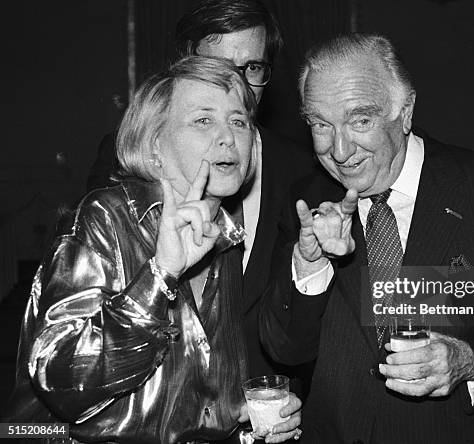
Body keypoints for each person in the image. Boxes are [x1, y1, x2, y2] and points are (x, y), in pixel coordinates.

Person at [259, 34, 474, 443]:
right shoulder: (307, 201)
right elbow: (286, 350)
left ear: (406, 111)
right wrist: (309, 266)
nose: (339, 150)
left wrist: (468, 362)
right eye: (321, 125)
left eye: (360, 120)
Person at [4, 56, 301, 444]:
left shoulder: (225, 238)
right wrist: (159, 276)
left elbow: (187, 402)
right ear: (157, 144)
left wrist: (243, 422)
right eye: (203, 120)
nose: (229, 136)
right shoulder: (106, 217)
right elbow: (60, 381)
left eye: (239, 121)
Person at [86, 0, 314, 392]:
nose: (239, 84)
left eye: (253, 68)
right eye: (221, 68)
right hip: (140, 398)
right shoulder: (123, 163)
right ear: (187, 63)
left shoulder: (300, 167)